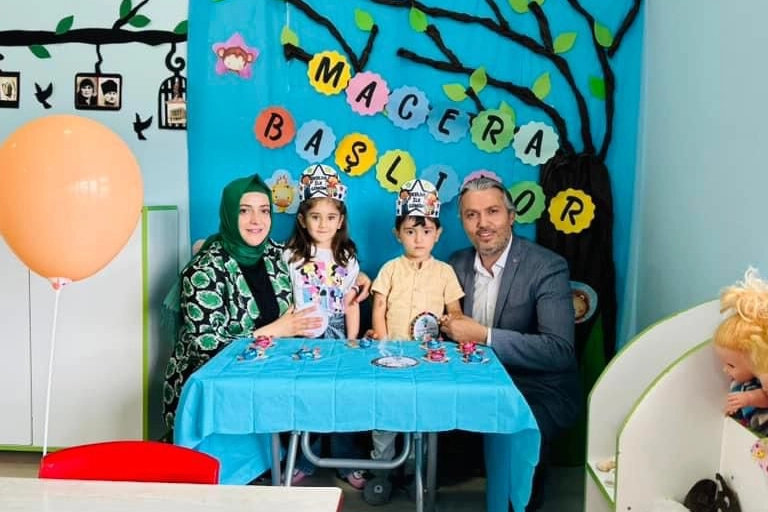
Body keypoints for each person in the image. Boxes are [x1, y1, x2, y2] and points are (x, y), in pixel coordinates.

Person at [440, 175, 580, 511]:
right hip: (474, 381)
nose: (483, 224)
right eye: (472, 215)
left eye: (493, 211)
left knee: (517, 489)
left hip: (534, 387)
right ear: (462, 222)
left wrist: (484, 335)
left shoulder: (547, 267)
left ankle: (519, 496)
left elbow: (559, 351)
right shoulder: (454, 264)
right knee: (438, 450)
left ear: (511, 216)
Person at [366, 178, 464, 504]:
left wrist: (450, 325)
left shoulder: (445, 272)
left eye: (426, 231)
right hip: (390, 357)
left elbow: (455, 312)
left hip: (427, 359)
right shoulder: (390, 269)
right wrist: (380, 342)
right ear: (398, 234)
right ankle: (381, 472)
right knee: (384, 417)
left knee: (419, 417)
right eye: (410, 231)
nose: (418, 238)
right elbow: (379, 307)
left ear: (438, 233)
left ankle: (413, 471)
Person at [281, 164, 368, 488]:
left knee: (343, 397)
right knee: (308, 398)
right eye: (315, 216)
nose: (323, 224)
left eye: (331, 217)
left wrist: (352, 339)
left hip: (338, 331)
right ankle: (304, 459)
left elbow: (351, 302)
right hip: (303, 333)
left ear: (341, 220)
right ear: (302, 219)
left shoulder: (347, 257)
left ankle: (347, 461)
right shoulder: (290, 255)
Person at [714, 267, 768, 435]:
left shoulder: (762, 381)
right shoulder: (741, 382)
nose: (725, 369)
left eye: (731, 365)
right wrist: (734, 408)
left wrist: (749, 398)